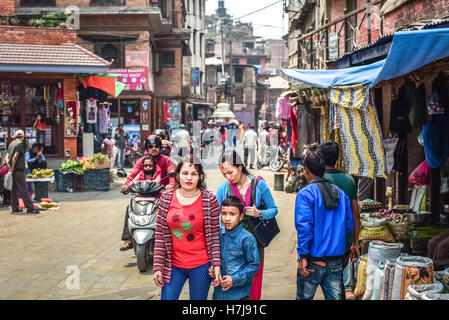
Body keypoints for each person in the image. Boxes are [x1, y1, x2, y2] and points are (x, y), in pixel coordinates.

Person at [153, 155, 221, 300]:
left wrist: (216, 264)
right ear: (177, 175)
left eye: (194, 174)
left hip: (201, 266)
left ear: (200, 176)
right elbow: (160, 234)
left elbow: (215, 235)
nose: (189, 178)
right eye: (185, 173)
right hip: (173, 266)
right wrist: (157, 266)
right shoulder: (166, 198)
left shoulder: (210, 200)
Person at [215, 149, 278, 300]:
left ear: (240, 166)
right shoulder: (224, 188)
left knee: (253, 279)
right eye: (224, 174)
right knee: (230, 280)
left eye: (230, 172)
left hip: (254, 241)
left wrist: (259, 213)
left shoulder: (259, 184)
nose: (228, 177)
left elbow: (274, 210)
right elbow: (213, 213)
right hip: (230, 245)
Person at [295, 152, 354, 300]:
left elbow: (304, 228)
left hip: (312, 260)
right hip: (335, 261)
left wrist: (303, 255)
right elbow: (348, 226)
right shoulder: (341, 194)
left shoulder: (305, 194)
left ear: (306, 171)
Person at [317, 141, 361, 300]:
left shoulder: (318, 180)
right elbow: (356, 214)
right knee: (340, 281)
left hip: (323, 242)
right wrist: (356, 243)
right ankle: (347, 291)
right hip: (344, 240)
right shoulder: (348, 180)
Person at [120, 135, 175, 251]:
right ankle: (128, 238)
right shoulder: (142, 161)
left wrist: (171, 184)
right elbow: (133, 175)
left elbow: (172, 173)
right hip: (143, 194)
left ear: (160, 147)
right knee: (130, 207)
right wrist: (126, 185)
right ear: (147, 148)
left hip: (162, 194)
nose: (153, 149)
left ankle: (172, 240)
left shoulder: (166, 160)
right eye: (150, 147)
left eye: (156, 146)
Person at [210, 195, 260, 300]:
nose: (227, 218)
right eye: (224, 214)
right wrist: (212, 269)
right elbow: (214, 257)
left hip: (239, 295)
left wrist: (234, 279)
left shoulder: (247, 238)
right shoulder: (218, 235)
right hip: (219, 295)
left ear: (241, 216)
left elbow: (254, 265)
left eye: (232, 214)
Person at [7, 130, 39, 214]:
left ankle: (15, 207)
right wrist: (13, 168)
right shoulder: (20, 144)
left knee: (14, 189)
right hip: (18, 169)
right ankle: (30, 208)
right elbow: (15, 157)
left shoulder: (11, 144)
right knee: (23, 188)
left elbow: (7, 157)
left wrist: (9, 167)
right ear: (23, 137)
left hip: (12, 169)